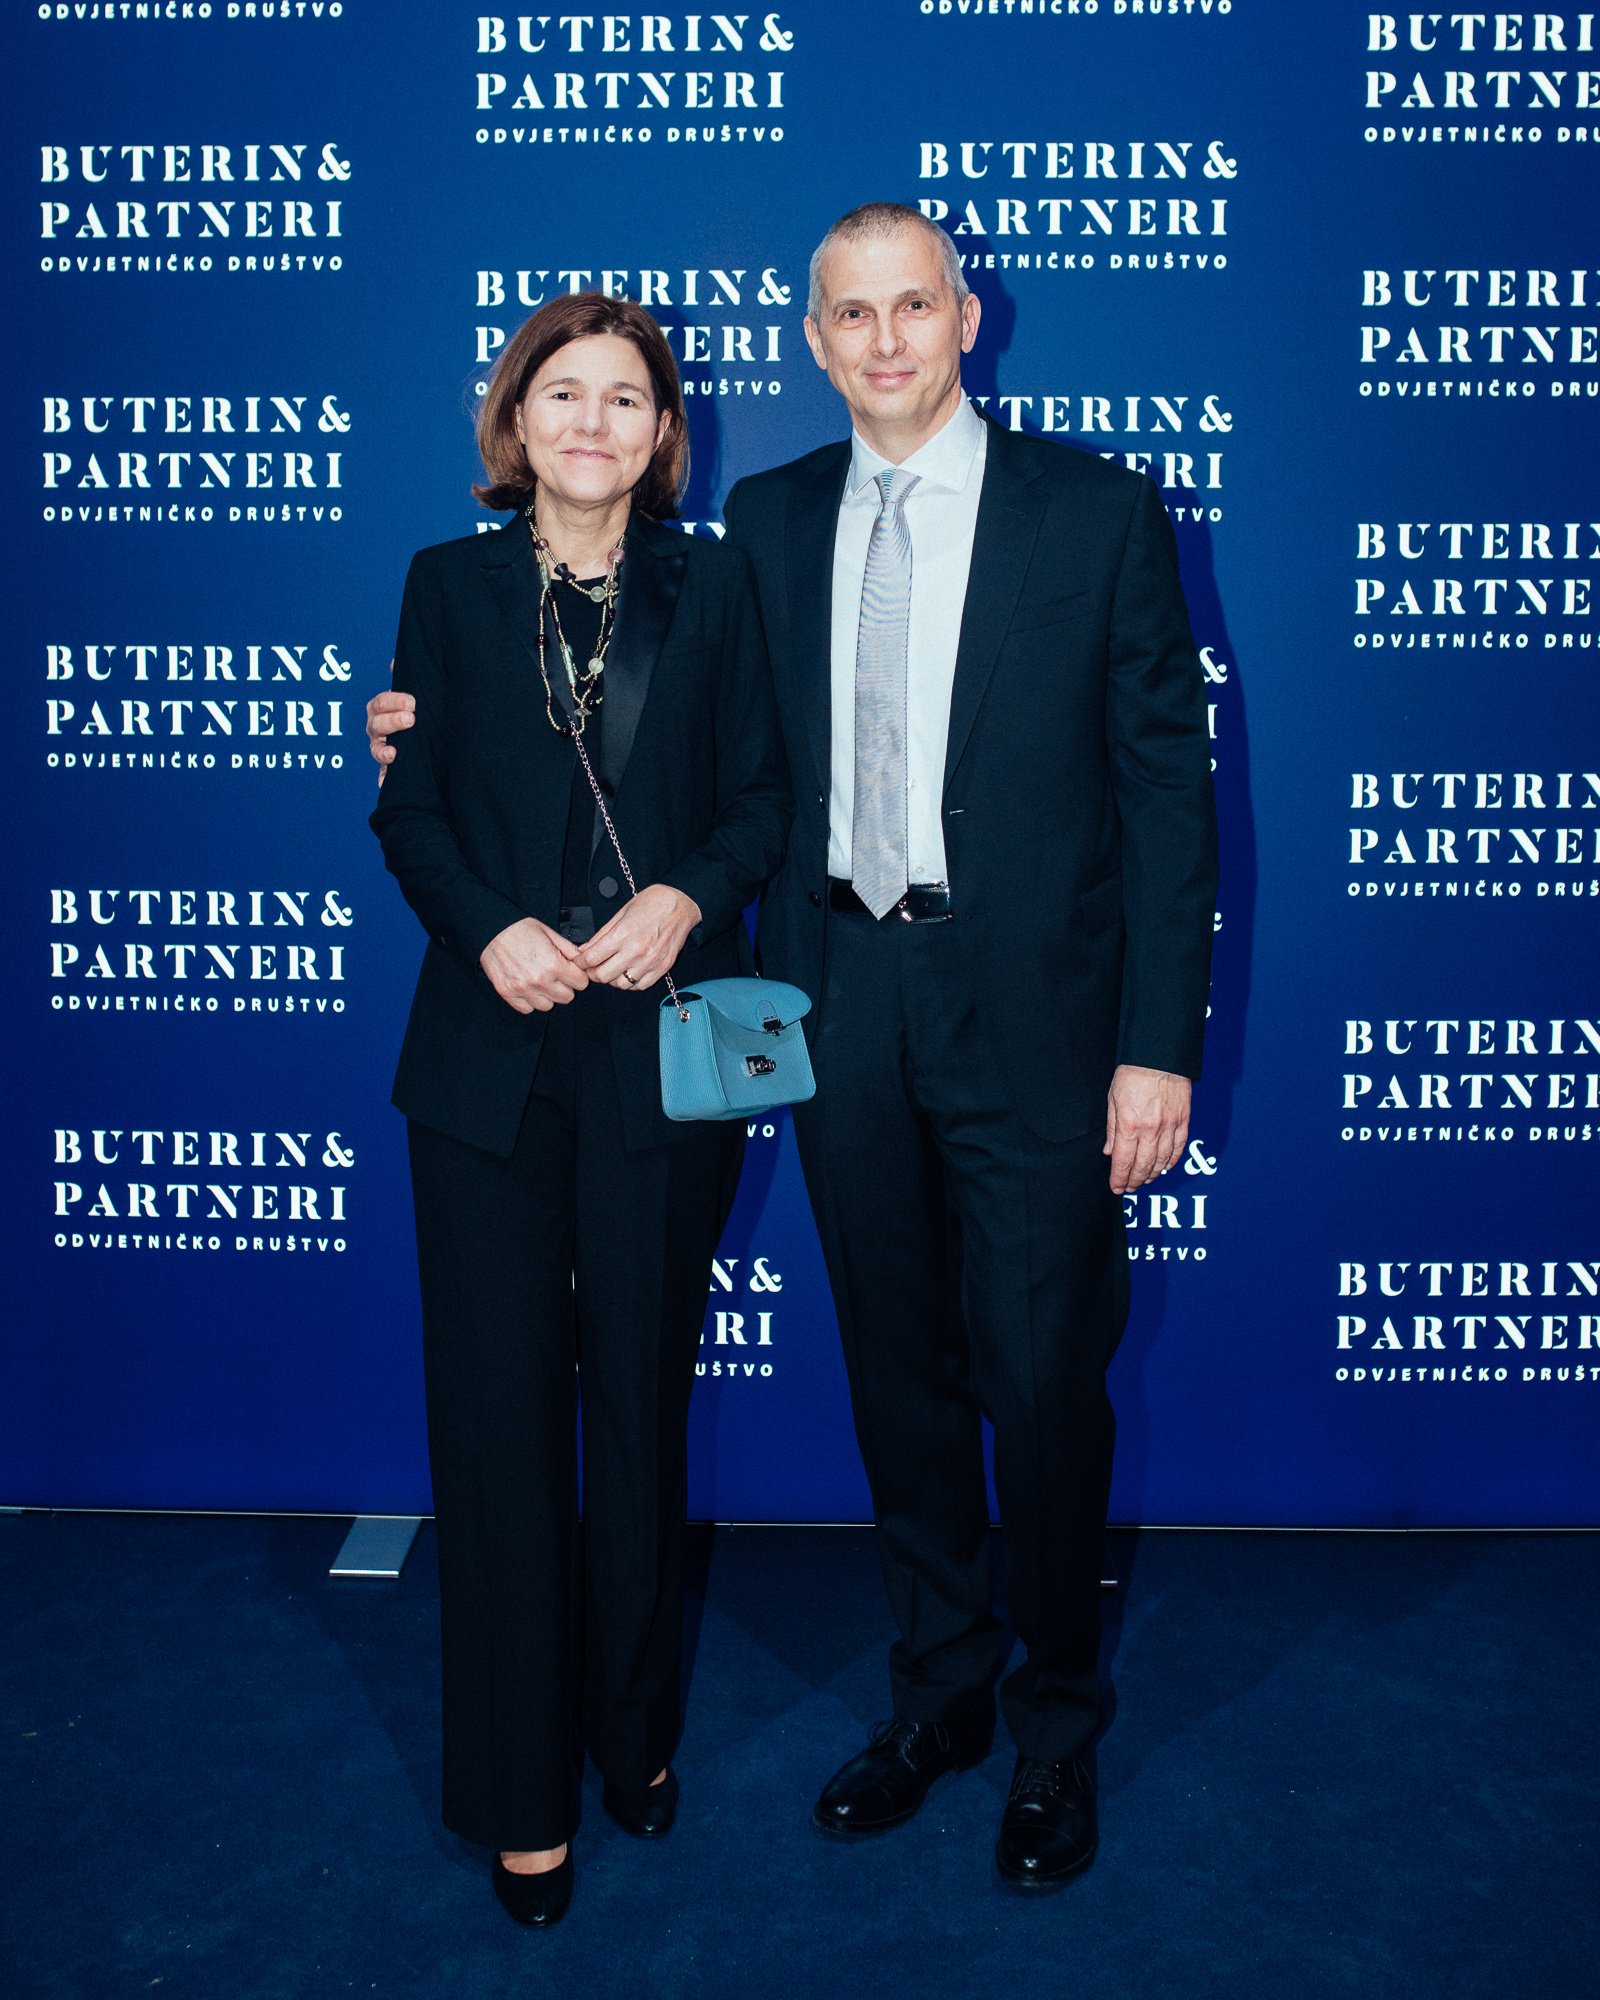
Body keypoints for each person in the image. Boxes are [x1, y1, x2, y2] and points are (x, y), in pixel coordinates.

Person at [369, 202, 1217, 1894]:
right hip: (834, 1004)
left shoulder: (1101, 510)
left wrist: (1157, 1049)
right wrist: (414, 731)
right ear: (813, 342)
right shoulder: (764, 522)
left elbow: (1168, 800)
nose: (887, 338)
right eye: (853, 313)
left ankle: (1055, 1726)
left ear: (968, 318)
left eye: (916, 305)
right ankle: (939, 1697)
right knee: (896, 1378)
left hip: (1040, 1024)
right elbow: (700, 750)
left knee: (1043, 1388)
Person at [369, 291, 790, 1929]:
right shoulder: (447, 586)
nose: (594, 422)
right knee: (491, 1432)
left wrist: (687, 894)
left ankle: (631, 1732)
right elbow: (409, 812)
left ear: (663, 433)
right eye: (565, 393)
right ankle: (518, 1791)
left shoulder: (723, 581)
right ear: (515, 419)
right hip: (482, 1064)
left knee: (636, 1410)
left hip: (659, 1059)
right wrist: (490, 926)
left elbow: (764, 796)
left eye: (627, 398)